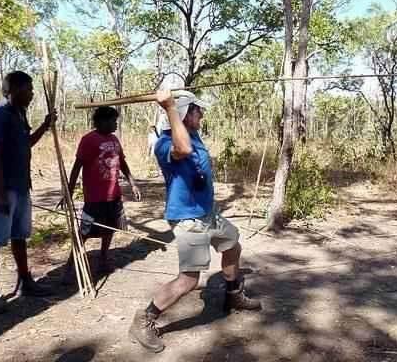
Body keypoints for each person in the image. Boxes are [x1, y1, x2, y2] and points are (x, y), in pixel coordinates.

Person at [129, 89, 261, 353]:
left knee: (232, 246)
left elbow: (191, 144)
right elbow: (183, 148)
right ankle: (144, 319)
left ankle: (233, 295)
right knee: (189, 280)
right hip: (189, 219)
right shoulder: (165, 144)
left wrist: (176, 105)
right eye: (197, 110)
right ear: (185, 114)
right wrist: (169, 107)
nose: (202, 113)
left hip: (208, 213)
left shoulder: (194, 132)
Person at [0, 71, 56, 315]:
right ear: (15, 90)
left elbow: (25, 143)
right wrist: (0, 193)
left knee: (19, 235)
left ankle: (25, 281)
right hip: (3, 187)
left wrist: (45, 126)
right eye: (29, 89)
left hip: (21, 185)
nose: (32, 93)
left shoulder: (19, 114)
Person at [63, 106, 141, 279]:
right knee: (84, 232)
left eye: (115, 120)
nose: (115, 124)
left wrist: (133, 184)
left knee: (110, 228)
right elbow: (77, 166)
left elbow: (122, 163)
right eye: (112, 120)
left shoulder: (114, 139)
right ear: (101, 122)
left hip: (114, 195)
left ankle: (103, 258)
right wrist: (68, 190)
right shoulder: (89, 140)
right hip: (95, 197)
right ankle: (70, 266)